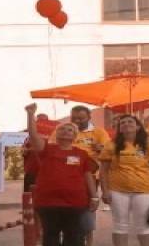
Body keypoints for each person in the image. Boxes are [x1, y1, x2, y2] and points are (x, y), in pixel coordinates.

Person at [29, 103, 100, 246]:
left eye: (70, 130)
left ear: (74, 136)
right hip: (48, 201)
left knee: (74, 236)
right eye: (62, 129)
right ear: (57, 134)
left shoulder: (82, 154)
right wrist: (30, 115)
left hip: (75, 201)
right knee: (50, 235)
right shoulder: (47, 149)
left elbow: (88, 176)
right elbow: (33, 135)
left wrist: (94, 196)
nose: (66, 131)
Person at [52, 105, 111, 245]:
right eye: (74, 118)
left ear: (89, 117)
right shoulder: (62, 130)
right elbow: (51, 148)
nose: (77, 121)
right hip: (63, 177)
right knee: (64, 210)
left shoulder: (99, 132)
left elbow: (108, 151)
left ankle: (88, 242)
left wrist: (101, 148)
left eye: (81, 118)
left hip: (89, 177)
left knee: (87, 211)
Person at [100, 114, 149, 246]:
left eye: (130, 122)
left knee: (144, 225)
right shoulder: (111, 145)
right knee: (120, 225)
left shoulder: (148, 144)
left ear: (138, 126)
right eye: (123, 123)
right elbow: (103, 171)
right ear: (120, 128)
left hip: (144, 189)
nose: (126, 124)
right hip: (117, 190)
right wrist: (105, 191)